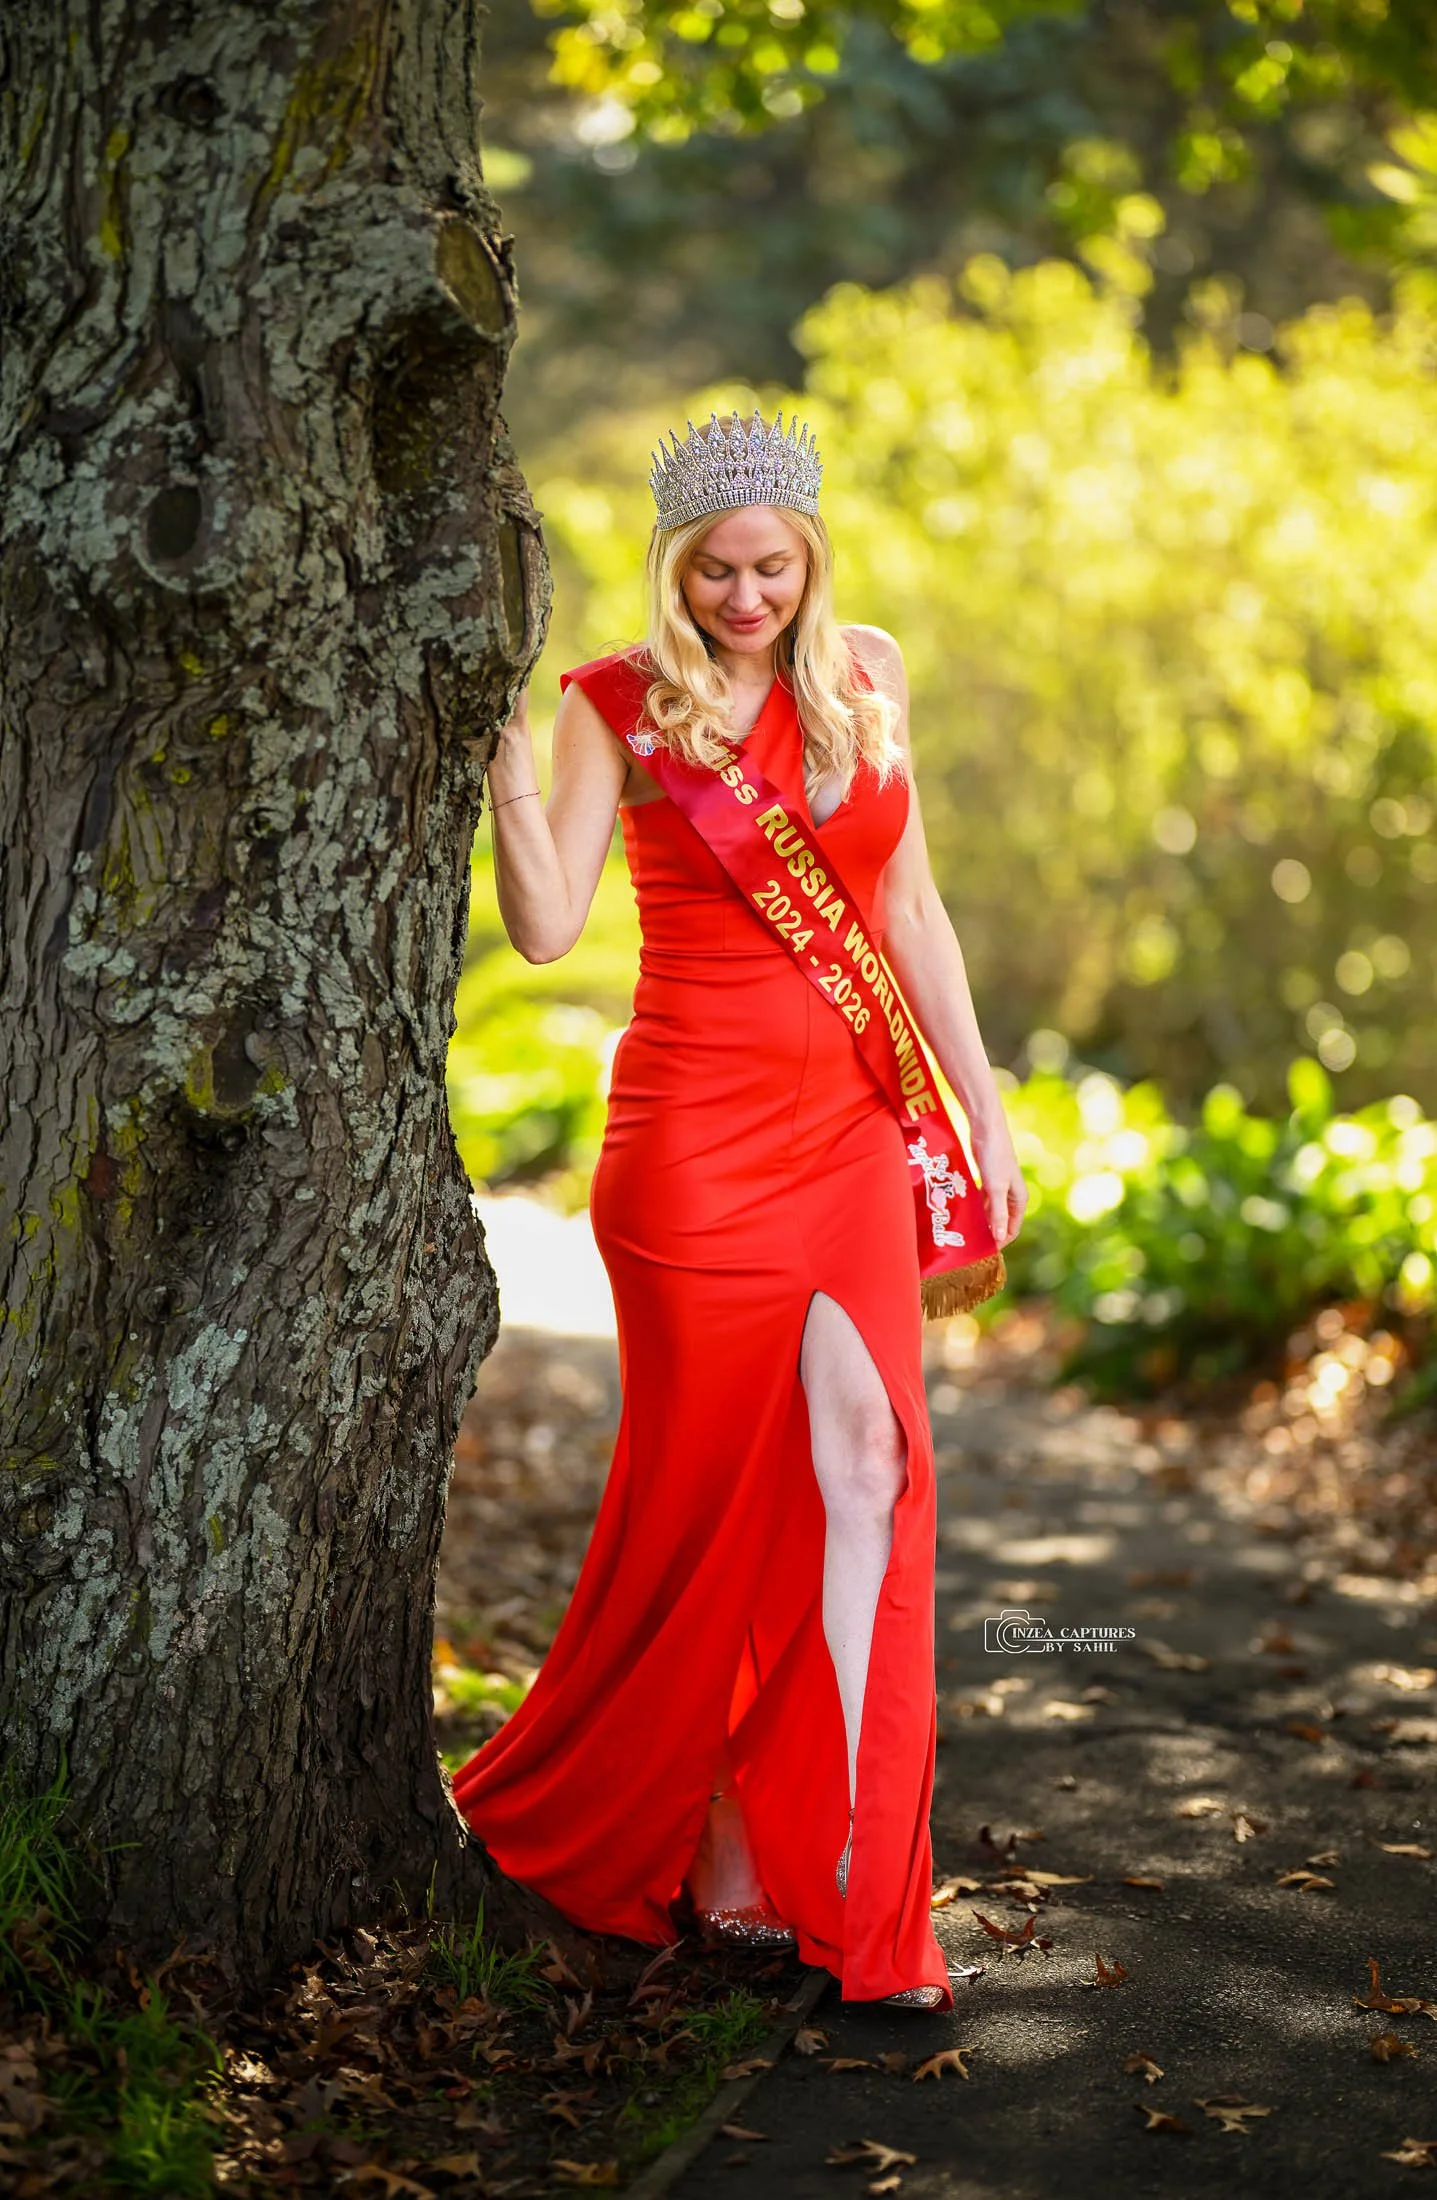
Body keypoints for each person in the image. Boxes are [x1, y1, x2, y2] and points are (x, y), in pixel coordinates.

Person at [452, 410, 1026, 2009]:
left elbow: (910, 908)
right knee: (705, 1504)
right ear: (676, 570)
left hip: (849, 1131)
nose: (749, 597)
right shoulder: (621, 707)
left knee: (869, 1464)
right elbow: (554, 923)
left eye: (775, 567)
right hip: (689, 1149)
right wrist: (501, 762)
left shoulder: (871, 681)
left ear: (813, 557)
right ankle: (701, 1824)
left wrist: (979, 1110)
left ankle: (855, 1875)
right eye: (719, 572)